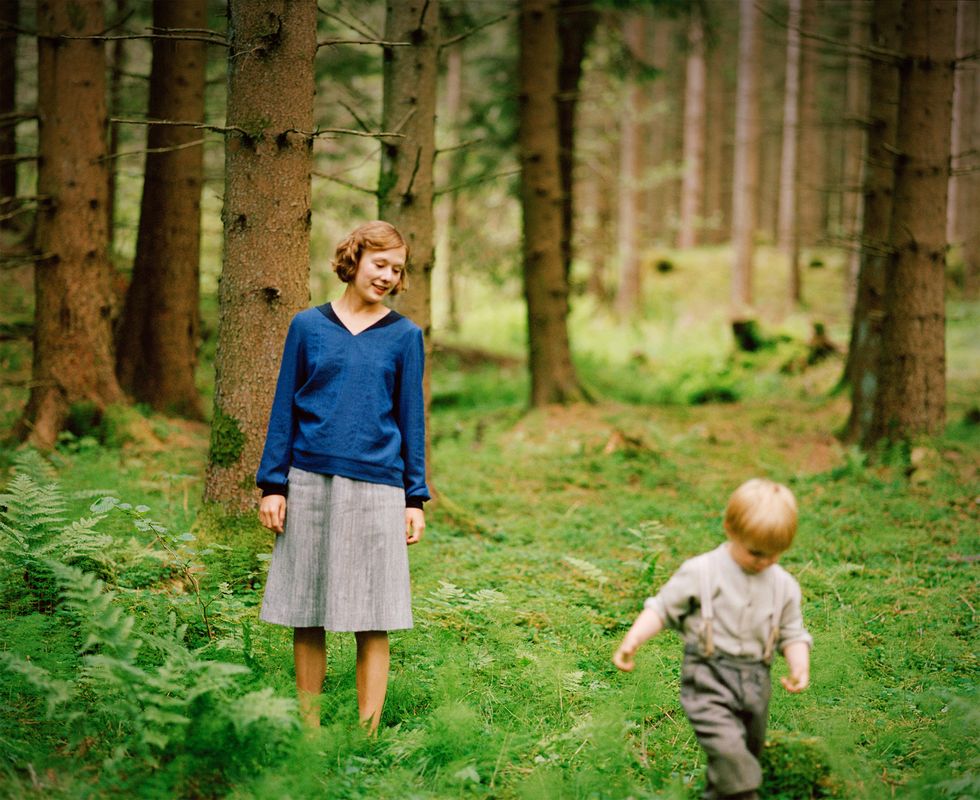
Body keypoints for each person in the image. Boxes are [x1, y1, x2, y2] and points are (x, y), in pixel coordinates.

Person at [255, 220, 429, 732]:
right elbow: (284, 406)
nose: (387, 276)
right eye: (379, 264)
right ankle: (310, 734)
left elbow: (411, 421)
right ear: (354, 260)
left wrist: (413, 498)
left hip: (378, 486)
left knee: (373, 616)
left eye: (396, 270)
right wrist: (273, 484)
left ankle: (365, 735)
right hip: (308, 480)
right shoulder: (307, 327)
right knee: (307, 610)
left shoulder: (404, 337)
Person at [613, 478, 812, 800]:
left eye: (775, 554)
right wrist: (632, 640)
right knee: (731, 754)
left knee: (744, 753)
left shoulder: (784, 586)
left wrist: (799, 666)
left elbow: (792, 633)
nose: (764, 561)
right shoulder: (702, 571)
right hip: (708, 674)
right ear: (731, 530)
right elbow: (662, 608)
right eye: (756, 552)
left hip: (756, 680)